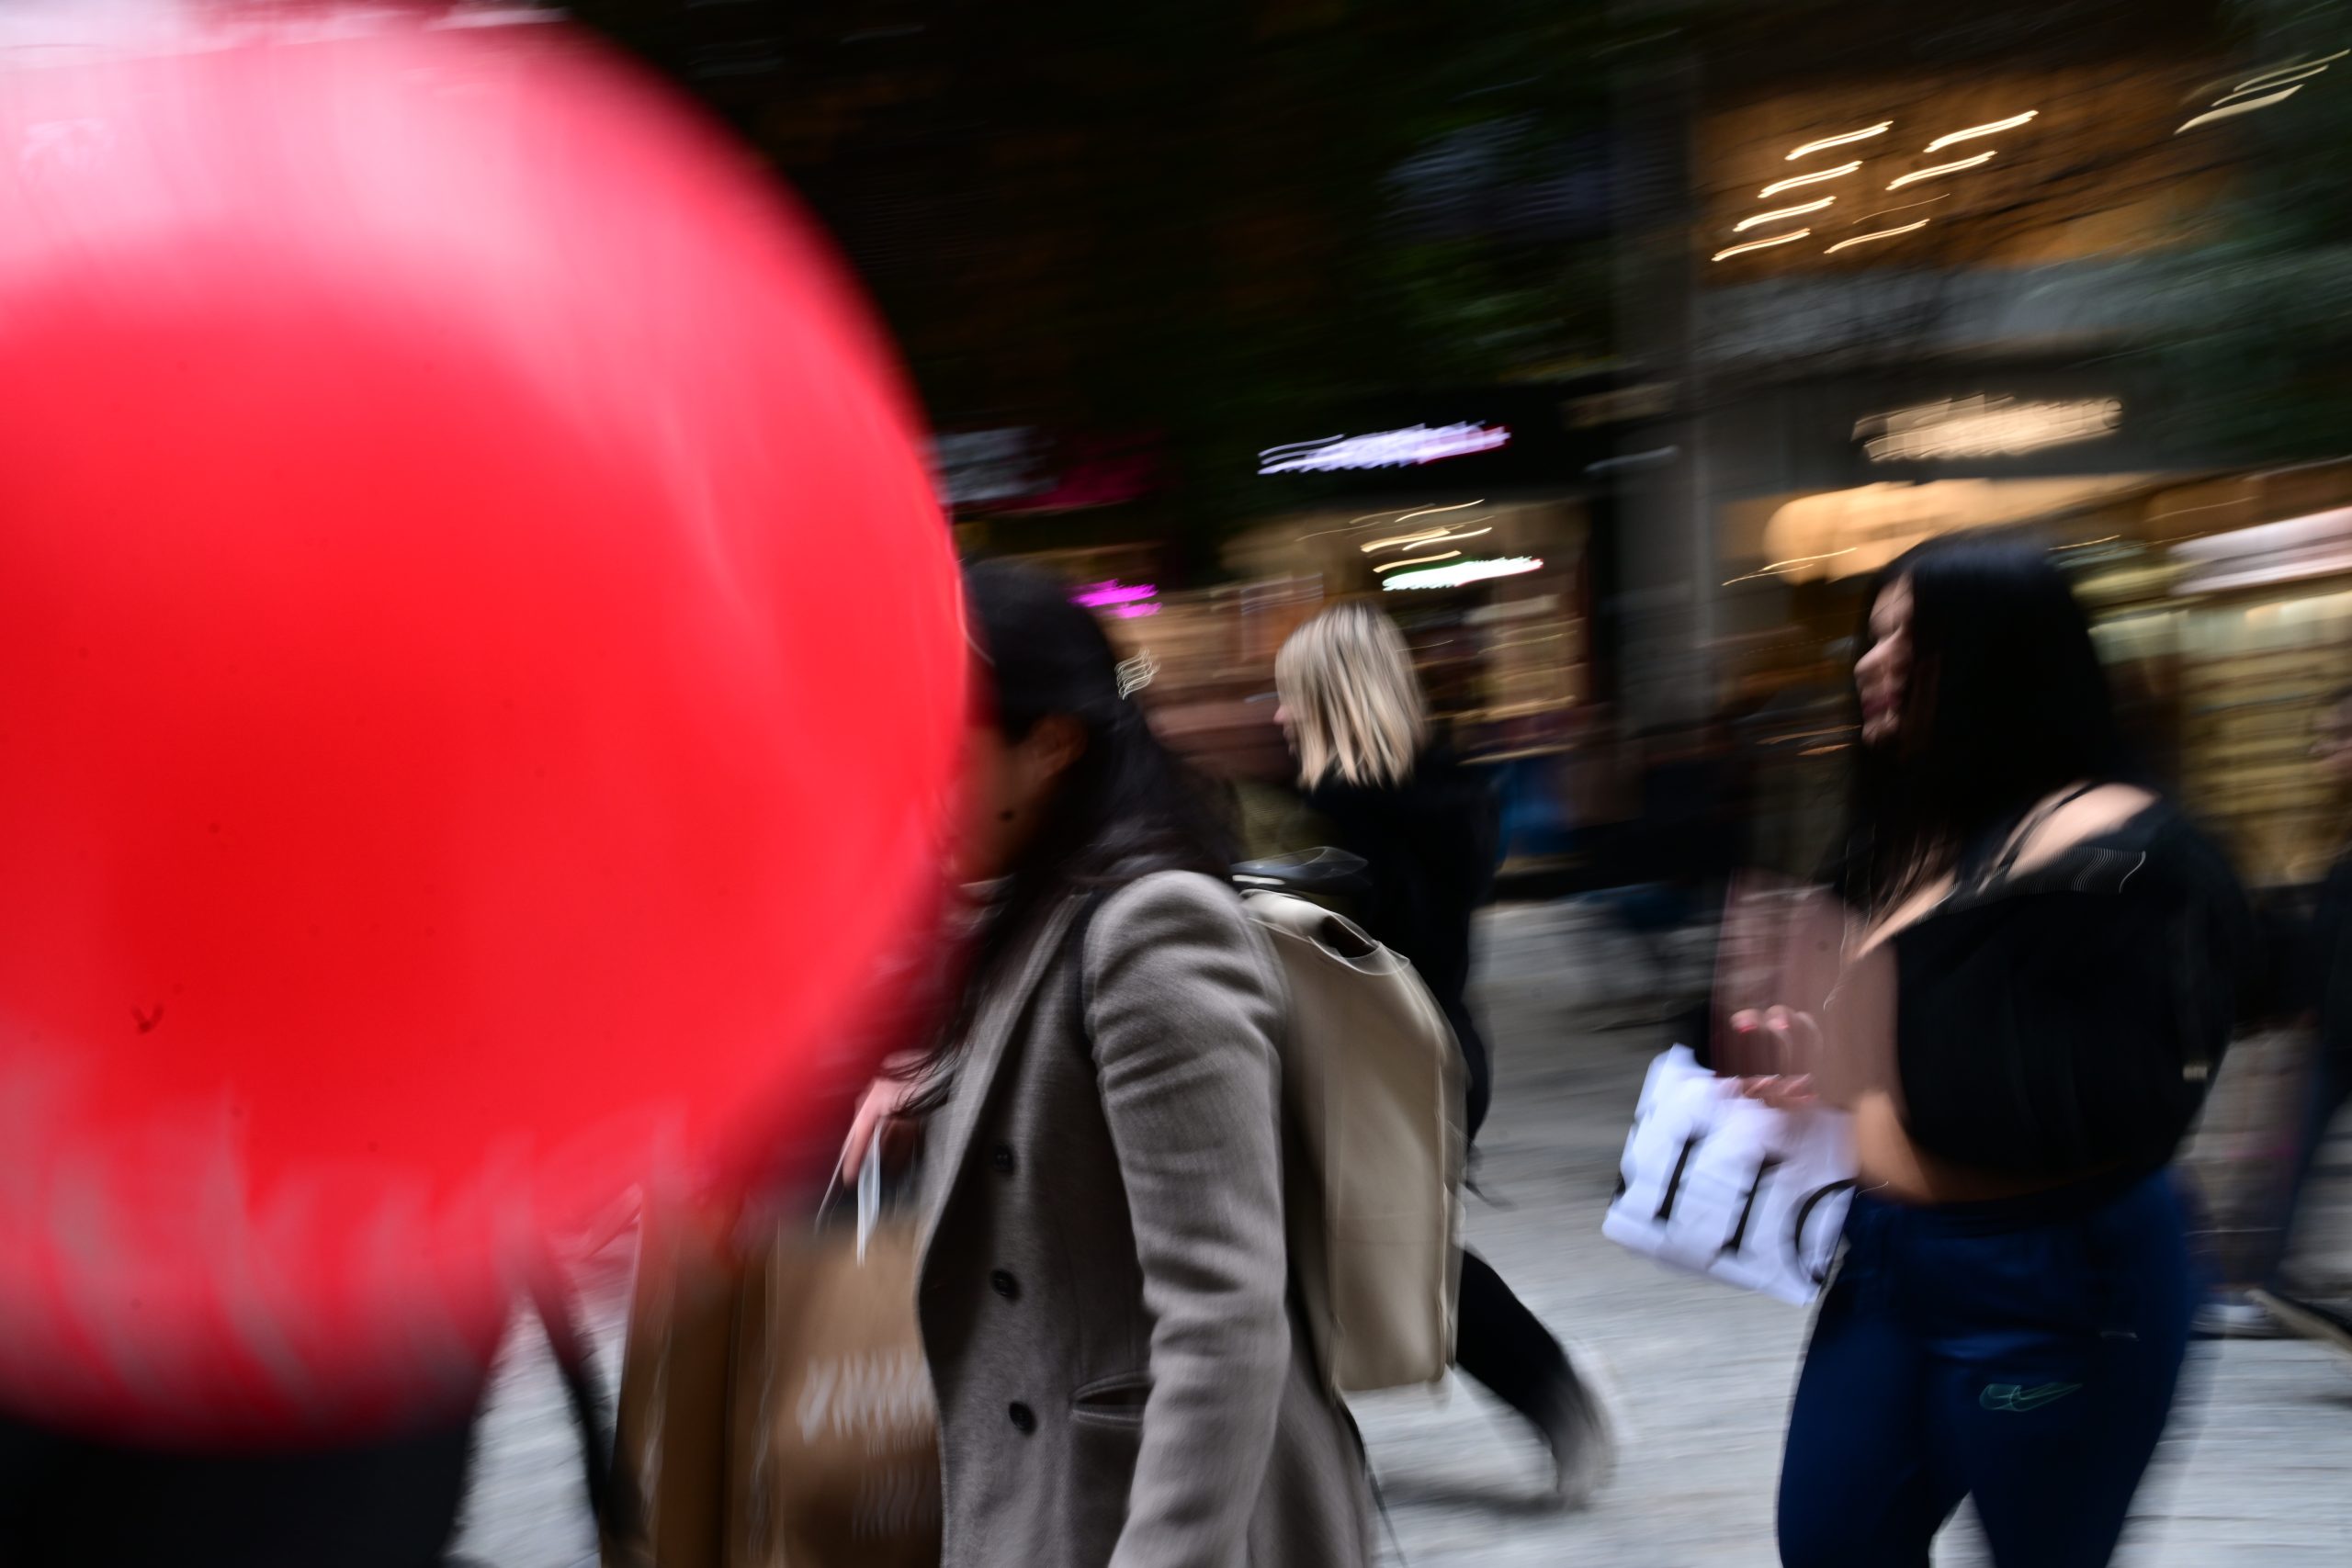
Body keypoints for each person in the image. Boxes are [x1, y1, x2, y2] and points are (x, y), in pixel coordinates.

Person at [843, 559, 1370, 1568]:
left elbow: (1223, 1312)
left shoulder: (1153, 931)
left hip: (1135, 1514)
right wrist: (941, 1094)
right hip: (1037, 1490)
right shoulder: (1028, 904)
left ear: (1048, 746)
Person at [1747, 531, 2254, 1568]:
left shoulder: (2119, 855)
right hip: (1887, 1266)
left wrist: (1854, 1048)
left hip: (2053, 1276)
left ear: (2000, 658)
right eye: (1871, 636)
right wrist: (1800, 1056)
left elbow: (2066, 1104)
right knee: (1830, 1544)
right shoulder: (1906, 836)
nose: (1869, 664)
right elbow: (1870, 1054)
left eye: (1907, 640)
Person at [1271, 601, 1616, 1506]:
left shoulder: (1359, 815)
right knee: (1339, 1251)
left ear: (1329, 697)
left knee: (1406, 1260)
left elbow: (1386, 940)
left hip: (1389, 1064)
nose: (1275, 718)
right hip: (1427, 1054)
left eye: (1288, 698)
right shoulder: (1437, 796)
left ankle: (1555, 1392)